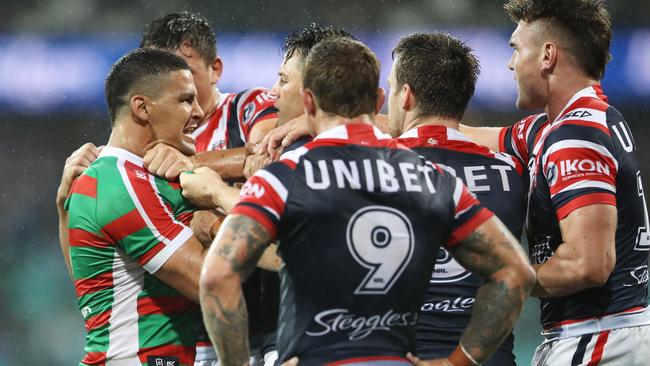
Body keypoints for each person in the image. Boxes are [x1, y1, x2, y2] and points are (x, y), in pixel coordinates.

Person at [189, 37, 535, 366]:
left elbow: (217, 277)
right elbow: (515, 272)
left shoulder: (285, 177)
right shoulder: (433, 178)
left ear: (308, 102)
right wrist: (458, 361)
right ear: (379, 99)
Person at [457, 1, 650, 364]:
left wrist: (505, 277)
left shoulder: (573, 134)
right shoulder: (562, 126)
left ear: (547, 55)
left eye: (516, 49)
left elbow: (587, 264)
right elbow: (458, 135)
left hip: (596, 339)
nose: (510, 63)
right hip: (601, 335)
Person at [388, 33, 526, 365]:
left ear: (406, 96)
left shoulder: (370, 169)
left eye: (392, 88)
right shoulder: (512, 170)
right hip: (489, 357)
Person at [64, 48, 208, 365]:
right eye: (185, 100)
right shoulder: (121, 184)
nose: (199, 112)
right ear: (142, 108)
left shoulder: (131, 178)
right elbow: (211, 284)